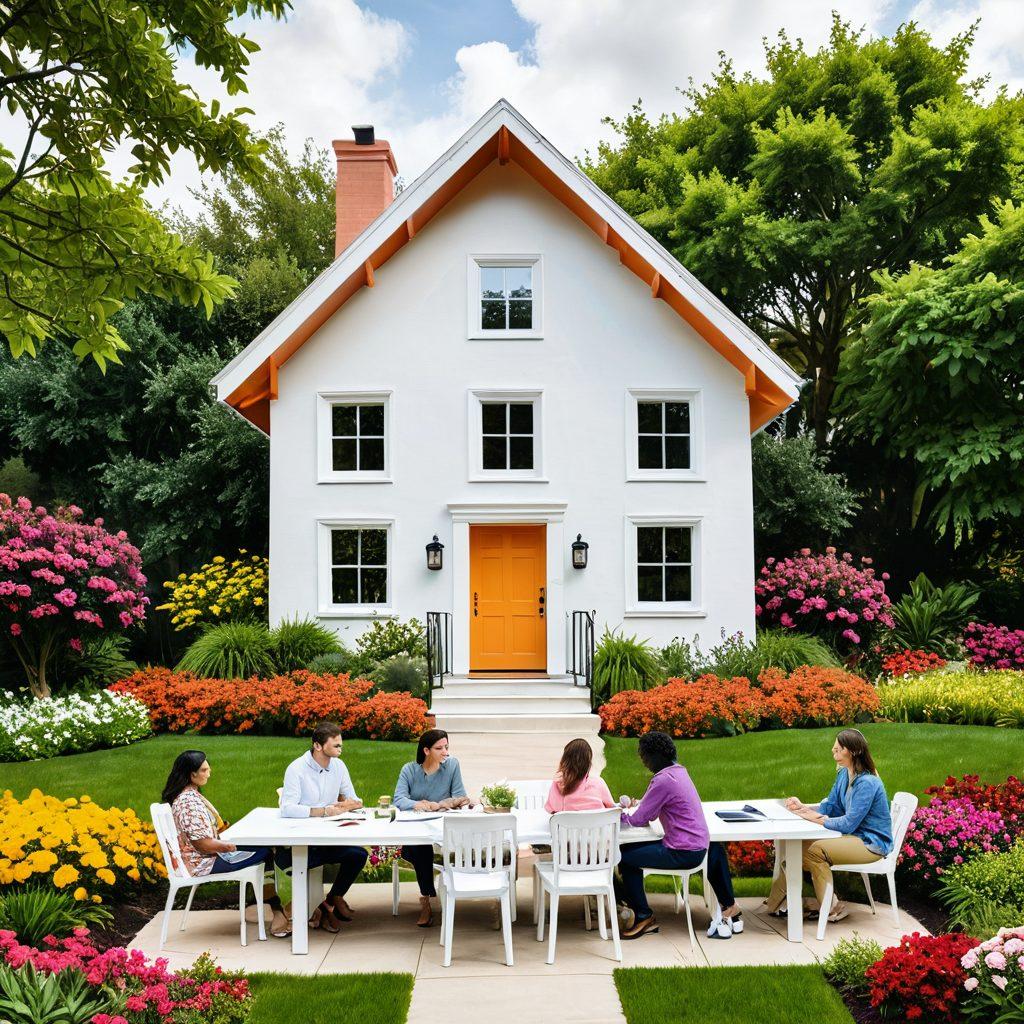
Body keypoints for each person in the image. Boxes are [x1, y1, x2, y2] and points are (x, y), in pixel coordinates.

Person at [618, 731, 743, 940]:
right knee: (629, 853)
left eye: (644, 756)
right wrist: (644, 804)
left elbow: (640, 819)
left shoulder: (663, 780)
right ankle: (729, 906)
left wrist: (618, 815)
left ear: (656, 755)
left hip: (682, 851)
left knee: (624, 856)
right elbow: (657, 807)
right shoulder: (679, 772)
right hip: (698, 846)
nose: (643, 761)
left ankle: (643, 916)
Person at [764, 728, 893, 923]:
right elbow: (831, 806)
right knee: (796, 848)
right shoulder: (844, 774)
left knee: (816, 851)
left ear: (854, 751)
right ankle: (778, 903)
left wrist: (815, 818)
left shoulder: (867, 782)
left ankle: (831, 908)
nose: (834, 751)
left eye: (839, 749)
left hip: (871, 842)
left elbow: (848, 824)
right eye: (835, 748)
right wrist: (803, 807)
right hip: (855, 837)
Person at [161, 749, 290, 938]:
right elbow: (203, 845)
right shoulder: (189, 802)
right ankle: (277, 910)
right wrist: (230, 846)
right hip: (203, 863)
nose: (209, 772)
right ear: (192, 774)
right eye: (204, 770)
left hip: (200, 858)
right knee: (267, 851)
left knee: (262, 850)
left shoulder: (187, 795)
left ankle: (268, 906)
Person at [276, 721, 369, 933]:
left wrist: (349, 804)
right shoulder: (296, 769)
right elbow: (288, 808)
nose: (340, 749)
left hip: (327, 838)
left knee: (358, 855)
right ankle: (317, 910)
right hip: (301, 843)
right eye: (336, 746)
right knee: (303, 861)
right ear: (318, 746)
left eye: (341, 745)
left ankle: (331, 900)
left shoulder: (339, 766)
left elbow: (354, 799)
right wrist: (324, 811)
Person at [393, 728, 471, 927]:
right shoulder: (409, 770)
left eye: (446, 747)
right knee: (421, 848)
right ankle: (427, 899)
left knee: (424, 849)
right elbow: (399, 799)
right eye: (440, 748)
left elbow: (460, 796)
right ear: (426, 750)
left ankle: (433, 896)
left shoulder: (452, 765)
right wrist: (416, 804)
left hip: (443, 827)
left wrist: (439, 805)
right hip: (417, 829)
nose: (445, 752)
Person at [544, 737, 616, 812]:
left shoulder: (559, 782)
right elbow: (611, 807)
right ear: (588, 762)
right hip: (597, 823)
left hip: (568, 823)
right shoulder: (598, 782)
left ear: (565, 760)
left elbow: (552, 809)